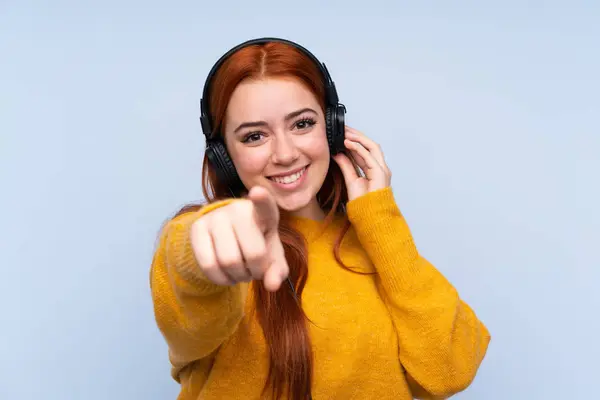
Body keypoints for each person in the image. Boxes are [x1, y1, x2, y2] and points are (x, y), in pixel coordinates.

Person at [150, 37, 491, 400]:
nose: (284, 154)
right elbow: (189, 275)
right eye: (254, 136)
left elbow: (450, 370)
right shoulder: (212, 240)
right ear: (224, 155)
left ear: (332, 128)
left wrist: (379, 218)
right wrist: (204, 245)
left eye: (302, 124)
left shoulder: (376, 242)